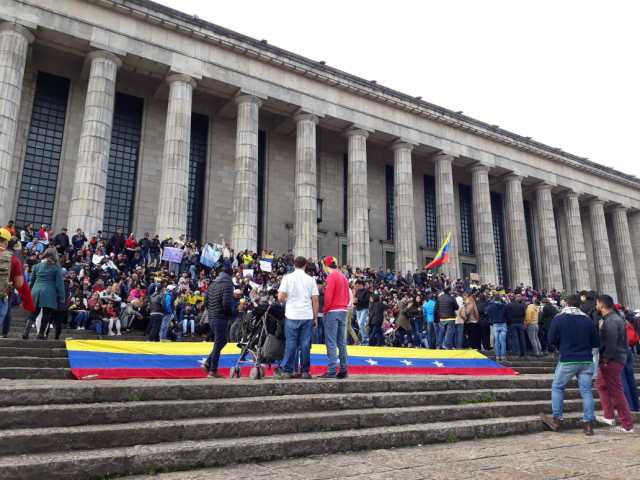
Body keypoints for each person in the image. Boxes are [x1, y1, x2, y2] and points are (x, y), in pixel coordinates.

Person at [541, 294, 599, 436]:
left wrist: (561, 345)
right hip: (586, 360)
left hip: (568, 358)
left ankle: (557, 419)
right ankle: (588, 424)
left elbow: (550, 339)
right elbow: (596, 342)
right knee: (586, 391)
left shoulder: (559, 318)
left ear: (566, 304)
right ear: (579, 305)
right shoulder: (587, 320)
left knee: (558, 387)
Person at [595, 294, 635, 433]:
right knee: (601, 384)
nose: (596, 306)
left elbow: (611, 341)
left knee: (616, 391)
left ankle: (627, 424)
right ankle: (609, 416)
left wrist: (606, 358)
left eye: (597, 304)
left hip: (612, 359)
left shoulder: (611, 320)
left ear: (601, 304)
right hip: (616, 357)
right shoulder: (612, 318)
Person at [275, 256, 319, 379]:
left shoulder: (287, 278)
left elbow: (280, 297)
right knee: (305, 344)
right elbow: (315, 300)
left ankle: (287, 370)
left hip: (292, 314)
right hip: (306, 315)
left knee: (291, 343)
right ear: (305, 265)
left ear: (294, 265)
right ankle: (305, 371)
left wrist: (287, 300)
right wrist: (315, 317)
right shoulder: (311, 280)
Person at [23, 248, 65, 340]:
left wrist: (28, 294)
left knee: (33, 313)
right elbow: (60, 284)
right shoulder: (56, 268)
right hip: (49, 293)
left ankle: (26, 332)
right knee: (46, 315)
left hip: (35, 291)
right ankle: (41, 334)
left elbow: (32, 281)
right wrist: (62, 297)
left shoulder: (36, 266)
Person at [319, 256, 350, 379]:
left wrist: (325, 310)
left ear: (326, 266)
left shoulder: (331, 276)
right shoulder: (343, 276)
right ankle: (343, 369)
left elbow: (328, 296)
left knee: (331, 342)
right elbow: (347, 295)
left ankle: (331, 369)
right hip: (343, 310)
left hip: (333, 311)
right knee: (341, 342)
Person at [0, 228, 35, 336]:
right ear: (6, 242)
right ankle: (4, 333)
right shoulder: (13, 259)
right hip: (3, 294)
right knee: (6, 313)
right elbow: (20, 283)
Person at [204, 261, 235, 378]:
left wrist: (211, 311)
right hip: (220, 317)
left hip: (212, 316)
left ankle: (208, 362)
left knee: (222, 341)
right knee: (219, 342)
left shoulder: (213, 283)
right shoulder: (227, 283)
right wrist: (229, 314)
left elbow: (205, 300)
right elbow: (226, 303)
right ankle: (213, 370)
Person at [487, 295, 507, 362]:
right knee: (503, 341)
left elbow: (489, 314)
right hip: (503, 323)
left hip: (495, 324)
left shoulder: (491, 307)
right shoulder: (504, 306)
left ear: (494, 299)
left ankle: (498, 356)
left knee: (497, 341)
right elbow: (507, 315)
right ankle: (503, 356)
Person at [353, 279, 370, 346]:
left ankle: (365, 339)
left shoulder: (366, 291)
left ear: (360, 285)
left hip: (364, 309)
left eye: (357, 285)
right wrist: (355, 302)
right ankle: (364, 339)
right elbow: (356, 301)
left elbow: (366, 300)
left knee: (361, 323)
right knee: (360, 325)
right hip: (358, 309)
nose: (356, 287)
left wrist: (358, 300)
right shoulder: (357, 292)